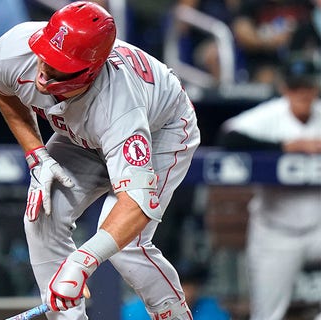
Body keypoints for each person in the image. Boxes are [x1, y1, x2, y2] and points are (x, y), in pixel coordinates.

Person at [0, 2, 201, 319]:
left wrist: (81, 261)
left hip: (160, 127)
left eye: (58, 66)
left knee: (127, 246)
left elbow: (136, 205)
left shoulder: (119, 108)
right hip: (83, 129)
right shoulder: (18, 47)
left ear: (90, 70)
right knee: (43, 211)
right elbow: (1, 87)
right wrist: (37, 155)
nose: (43, 71)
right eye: (45, 54)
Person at [217, 57, 321, 320]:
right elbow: (228, 137)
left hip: (318, 228)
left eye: (307, 86)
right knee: (267, 316)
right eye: (295, 86)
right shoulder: (272, 114)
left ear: (316, 88)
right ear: (285, 88)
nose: (301, 93)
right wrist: (286, 147)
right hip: (276, 232)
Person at [231, 0, 313, 84]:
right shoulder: (252, 3)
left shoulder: (302, 3)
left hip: (299, 58)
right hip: (262, 61)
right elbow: (242, 33)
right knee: (267, 76)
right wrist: (269, 41)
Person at [121, 261, 231, 320]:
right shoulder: (136, 309)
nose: (186, 291)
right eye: (180, 284)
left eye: (190, 285)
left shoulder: (212, 308)